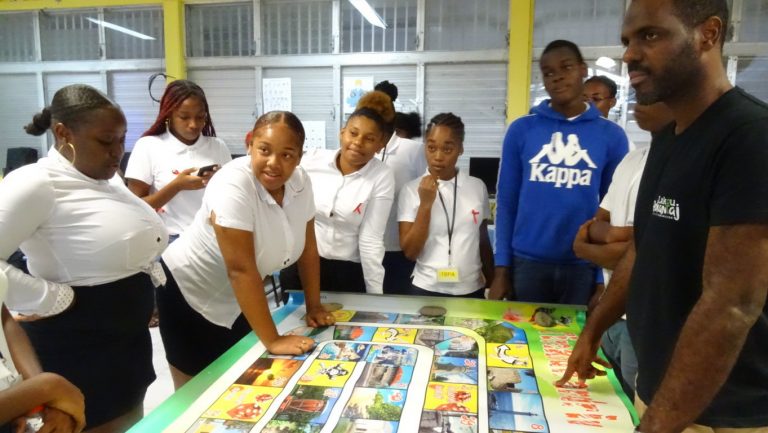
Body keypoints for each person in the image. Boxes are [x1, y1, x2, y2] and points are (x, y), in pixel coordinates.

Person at [559, 0, 768, 432]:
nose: (629, 54)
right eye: (627, 40)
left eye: (650, 35)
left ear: (708, 34)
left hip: (723, 415)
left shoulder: (749, 137)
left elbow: (731, 304)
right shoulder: (668, 138)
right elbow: (642, 250)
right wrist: (593, 331)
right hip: (659, 395)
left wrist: (656, 425)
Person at [0, 84, 168, 432]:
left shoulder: (104, 176)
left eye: (122, 140)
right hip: (77, 346)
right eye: (106, 141)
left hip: (125, 345)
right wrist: (48, 297)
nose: (117, 152)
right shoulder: (36, 183)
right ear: (63, 133)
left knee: (130, 420)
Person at [158, 111, 334, 390]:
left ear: (299, 157)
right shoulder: (232, 184)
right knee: (195, 389)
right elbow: (240, 269)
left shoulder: (300, 182)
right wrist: (273, 340)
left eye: (287, 155)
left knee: (242, 381)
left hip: (240, 297)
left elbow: (309, 247)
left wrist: (314, 305)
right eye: (264, 150)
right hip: (189, 290)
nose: (274, 163)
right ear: (249, 145)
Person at [489, 39, 630, 305]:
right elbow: (506, 202)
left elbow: (613, 211)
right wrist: (501, 269)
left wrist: (602, 278)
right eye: (548, 72)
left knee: (578, 333)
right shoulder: (522, 130)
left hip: (583, 266)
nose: (557, 77)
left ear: (583, 70)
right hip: (527, 264)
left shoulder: (611, 136)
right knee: (521, 332)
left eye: (566, 67)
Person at [571, 101, 674, 399]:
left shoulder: (683, 165)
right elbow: (594, 227)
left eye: (650, 96)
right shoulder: (632, 159)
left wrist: (593, 246)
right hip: (611, 313)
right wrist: (621, 235)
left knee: (640, 404)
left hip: (646, 323)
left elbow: (649, 254)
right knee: (610, 403)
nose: (638, 102)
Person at [298, 91, 396, 294]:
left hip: (347, 271)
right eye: (353, 133)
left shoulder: (381, 176)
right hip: (302, 262)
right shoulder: (311, 161)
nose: (358, 142)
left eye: (369, 138)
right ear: (342, 133)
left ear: (380, 146)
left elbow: (371, 239)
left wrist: (375, 295)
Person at [398, 113, 494, 298]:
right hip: (426, 287)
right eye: (431, 148)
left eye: (447, 149)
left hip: (471, 288)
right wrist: (425, 205)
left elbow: (482, 241)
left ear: (460, 149)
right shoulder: (410, 190)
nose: (438, 157)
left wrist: (493, 280)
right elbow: (410, 252)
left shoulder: (477, 187)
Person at [125, 79, 231, 241]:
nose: (193, 124)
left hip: (211, 238)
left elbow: (231, 197)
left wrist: (218, 182)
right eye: (184, 117)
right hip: (168, 238)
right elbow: (135, 206)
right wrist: (177, 186)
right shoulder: (148, 146)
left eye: (200, 117)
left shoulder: (218, 147)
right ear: (169, 115)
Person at [0, 269, 85, 433]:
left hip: (20, 401)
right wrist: (46, 388)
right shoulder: (46, 387)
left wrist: (40, 404)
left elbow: (4, 320)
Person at [367, 81, 427, 295]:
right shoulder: (361, 148)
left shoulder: (413, 150)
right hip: (364, 249)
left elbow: (428, 195)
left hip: (398, 249)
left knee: (398, 304)